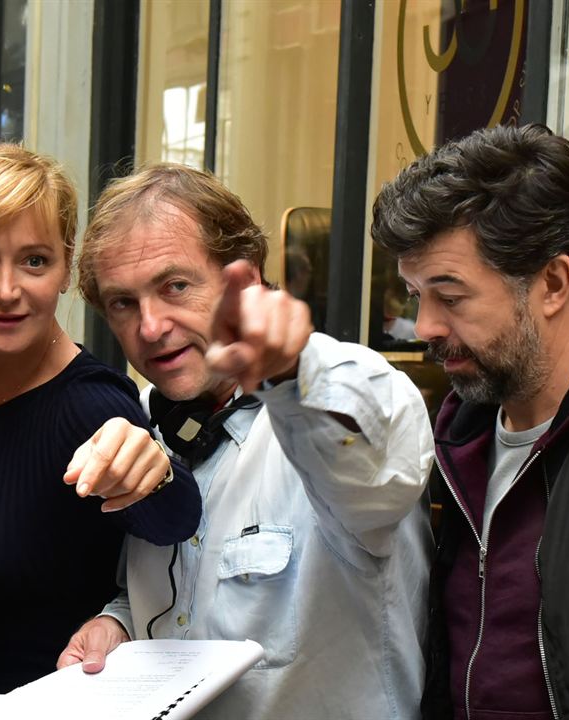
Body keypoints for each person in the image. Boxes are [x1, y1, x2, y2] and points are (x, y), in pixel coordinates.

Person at [59, 164, 434, 719]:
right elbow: (175, 592)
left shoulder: (338, 390)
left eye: (175, 286)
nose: (151, 326)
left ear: (246, 279)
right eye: (123, 303)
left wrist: (290, 369)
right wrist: (117, 622)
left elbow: (375, 475)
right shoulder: (144, 421)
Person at [0, 145, 202, 718]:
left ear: (65, 269)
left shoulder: (91, 405)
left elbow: (177, 520)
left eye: (34, 261)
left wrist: (157, 470)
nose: (7, 290)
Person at [371, 123, 569, 720]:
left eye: (450, 294)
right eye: (416, 294)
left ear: (552, 283)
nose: (425, 328)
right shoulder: (456, 439)